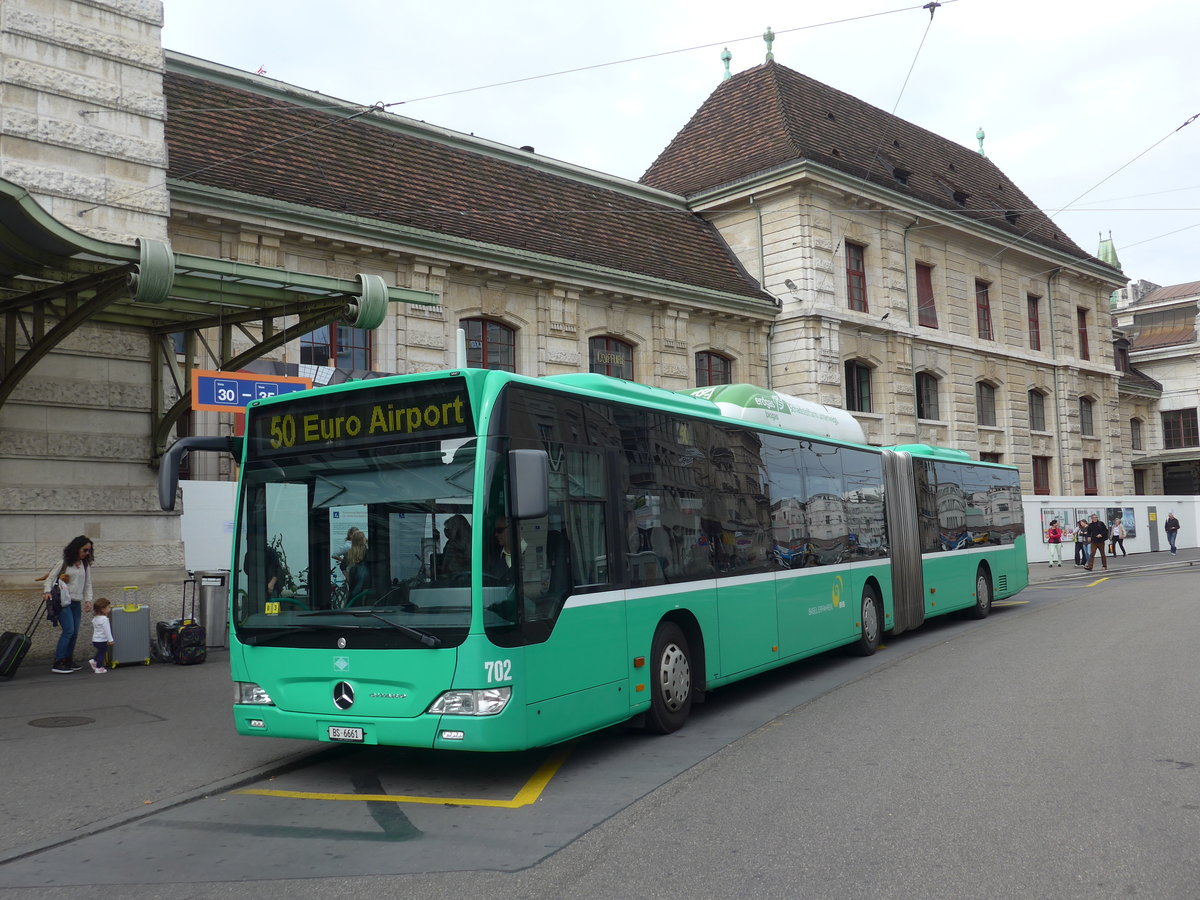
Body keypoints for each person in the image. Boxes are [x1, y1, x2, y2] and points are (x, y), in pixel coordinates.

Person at [43, 535, 95, 674]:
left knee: (74, 632)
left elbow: (88, 584)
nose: (87, 553)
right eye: (85, 550)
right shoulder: (64, 563)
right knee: (69, 631)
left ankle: (67, 659)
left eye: (89, 551)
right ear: (76, 548)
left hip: (76, 602)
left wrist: (88, 600)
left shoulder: (85, 565)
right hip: (63, 602)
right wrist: (47, 592)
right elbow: (50, 579)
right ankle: (58, 661)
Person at [88, 597, 113, 674]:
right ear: (103, 609)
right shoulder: (105, 619)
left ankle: (94, 661)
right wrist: (110, 640)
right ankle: (98, 667)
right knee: (102, 653)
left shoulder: (95, 618)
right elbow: (107, 631)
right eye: (108, 607)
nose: (109, 609)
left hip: (95, 640)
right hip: (102, 640)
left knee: (100, 651)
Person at [343, 529, 369, 600]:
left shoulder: (349, 553)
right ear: (362, 540)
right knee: (362, 598)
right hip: (364, 582)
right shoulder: (366, 552)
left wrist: (348, 578)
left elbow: (342, 567)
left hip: (353, 579)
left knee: (353, 598)